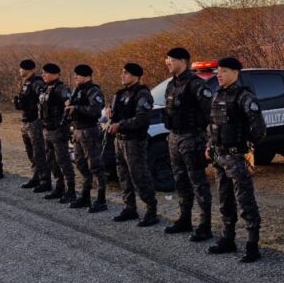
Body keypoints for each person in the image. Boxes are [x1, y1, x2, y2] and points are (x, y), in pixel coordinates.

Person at [206, 57, 267, 263]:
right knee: (225, 200)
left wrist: (244, 146)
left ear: (235, 73)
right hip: (219, 156)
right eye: (218, 71)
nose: (219, 75)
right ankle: (227, 239)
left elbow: (259, 129)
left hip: (237, 157)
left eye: (224, 71)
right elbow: (212, 125)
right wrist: (209, 146)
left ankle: (252, 245)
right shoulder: (217, 95)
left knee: (245, 201)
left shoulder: (244, 97)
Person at [162, 47, 214, 241]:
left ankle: (205, 225)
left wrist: (210, 142)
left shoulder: (196, 84)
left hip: (192, 138)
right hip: (174, 137)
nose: (167, 62)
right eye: (167, 59)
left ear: (182, 61)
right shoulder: (171, 84)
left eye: (171, 59)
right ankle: (185, 220)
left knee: (198, 182)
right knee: (180, 180)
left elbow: (211, 115)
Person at [108, 63, 158, 226]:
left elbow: (142, 119)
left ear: (136, 76)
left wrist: (121, 124)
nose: (122, 76)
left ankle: (151, 209)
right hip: (120, 140)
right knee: (123, 175)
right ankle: (130, 207)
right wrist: (110, 116)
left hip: (134, 141)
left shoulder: (142, 94)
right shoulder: (120, 94)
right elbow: (115, 115)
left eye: (126, 73)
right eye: (122, 73)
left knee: (139, 175)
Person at [66, 64, 108, 213]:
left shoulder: (93, 91)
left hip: (89, 131)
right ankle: (85, 196)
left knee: (95, 166)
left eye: (78, 75)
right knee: (80, 163)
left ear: (87, 76)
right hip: (77, 130)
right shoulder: (77, 90)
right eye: (75, 75)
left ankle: (101, 199)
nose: (75, 77)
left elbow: (96, 110)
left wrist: (76, 108)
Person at [38, 63, 76, 203]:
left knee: (63, 160)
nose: (43, 75)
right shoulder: (45, 88)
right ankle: (59, 187)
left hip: (58, 130)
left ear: (55, 74)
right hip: (47, 129)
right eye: (43, 72)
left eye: (46, 73)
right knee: (51, 160)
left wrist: (63, 123)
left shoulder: (61, 88)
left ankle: (71, 190)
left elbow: (68, 106)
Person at [15, 59, 51, 192]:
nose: (20, 71)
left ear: (29, 70)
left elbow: (43, 102)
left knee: (39, 152)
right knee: (30, 151)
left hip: (35, 121)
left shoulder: (37, 83)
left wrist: (41, 118)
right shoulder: (26, 83)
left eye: (21, 68)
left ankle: (45, 180)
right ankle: (36, 176)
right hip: (26, 121)